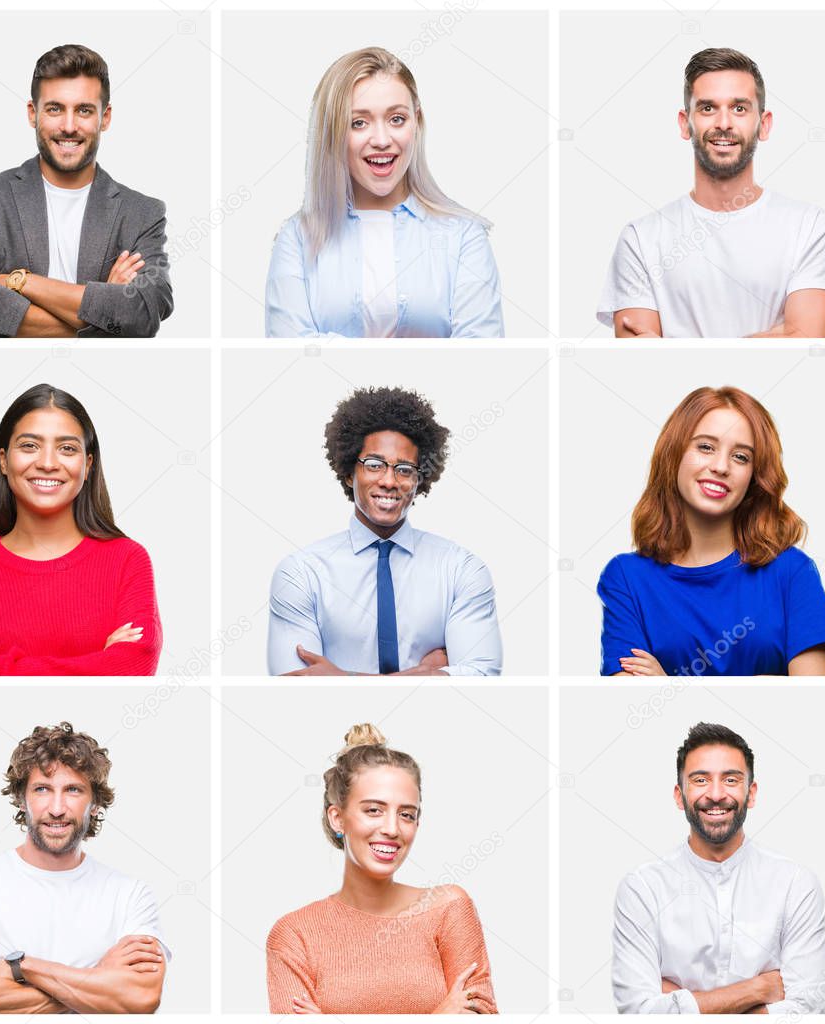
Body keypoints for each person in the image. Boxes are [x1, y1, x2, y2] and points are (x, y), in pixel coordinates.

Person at [597, 47, 825, 338]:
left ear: (763, 125)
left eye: (739, 108)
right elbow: (637, 355)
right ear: (685, 123)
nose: (724, 123)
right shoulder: (639, 239)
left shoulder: (810, 226)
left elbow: (806, 338)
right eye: (707, 108)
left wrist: (673, 346)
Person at [597, 386, 825, 676]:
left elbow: (812, 700)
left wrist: (669, 683)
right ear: (674, 453)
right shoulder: (626, 577)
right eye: (705, 447)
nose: (720, 466)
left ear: (755, 477)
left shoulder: (792, 572)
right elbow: (630, 695)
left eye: (741, 457)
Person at [0, 722, 169, 1013]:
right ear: (21, 799)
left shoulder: (130, 895)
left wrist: (19, 966)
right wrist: (96, 979)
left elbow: (140, 1000)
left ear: (94, 803)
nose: (56, 808)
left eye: (73, 790)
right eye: (42, 789)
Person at [0, 43, 172, 338]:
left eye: (84, 110)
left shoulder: (142, 213)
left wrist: (19, 281)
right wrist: (103, 317)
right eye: (55, 109)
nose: (69, 126)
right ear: (33, 113)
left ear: (105, 117)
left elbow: (144, 312)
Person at [265, 46, 503, 338]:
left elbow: (479, 354)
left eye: (397, 119)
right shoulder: (297, 239)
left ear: (417, 123)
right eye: (359, 123)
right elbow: (291, 351)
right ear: (333, 133)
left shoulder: (464, 235)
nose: (381, 140)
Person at [267, 386, 501, 675]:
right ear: (349, 471)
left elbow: (482, 676)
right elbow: (295, 686)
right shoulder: (301, 573)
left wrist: (342, 679)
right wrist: (426, 675)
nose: (390, 480)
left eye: (404, 469)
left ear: (419, 479)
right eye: (374, 465)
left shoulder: (461, 570)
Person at [0, 383, 162, 675]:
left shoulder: (128, 560)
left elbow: (133, 665)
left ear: (88, 465)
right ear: (3, 460)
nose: (48, 463)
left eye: (67, 448)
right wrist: (98, 662)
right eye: (29, 446)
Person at [267, 724, 497, 1014]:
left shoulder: (448, 909)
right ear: (338, 818)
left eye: (406, 814)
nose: (391, 828)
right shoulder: (294, 935)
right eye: (373, 810)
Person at [612, 722, 825, 1014]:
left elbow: (810, 1008)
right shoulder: (641, 888)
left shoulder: (795, 883)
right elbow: (637, 1012)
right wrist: (758, 990)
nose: (716, 794)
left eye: (730, 780)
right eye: (700, 780)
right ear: (679, 795)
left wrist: (682, 1002)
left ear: (751, 794)